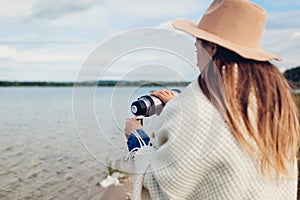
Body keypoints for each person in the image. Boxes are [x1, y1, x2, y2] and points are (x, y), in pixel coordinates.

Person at [124, 0, 299, 199]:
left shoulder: (193, 107)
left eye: (197, 47)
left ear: (212, 48)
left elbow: (160, 189)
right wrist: (176, 108)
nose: (196, 55)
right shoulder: (275, 102)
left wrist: (137, 140)